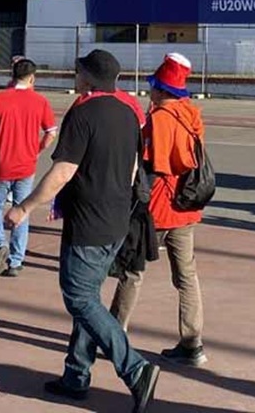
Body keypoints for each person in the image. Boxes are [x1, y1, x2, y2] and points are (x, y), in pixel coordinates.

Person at [5, 49, 160, 412]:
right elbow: (135, 167)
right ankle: (77, 374)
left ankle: (134, 368)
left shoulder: (83, 112)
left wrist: (25, 207)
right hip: (117, 217)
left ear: (87, 77)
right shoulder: (128, 112)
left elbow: (63, 171)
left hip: (90, 221)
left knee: (79, 297)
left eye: (77, 72)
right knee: (88, 295)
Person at [111, 53, 208, 367]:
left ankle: (113, 332)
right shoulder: (191, 113)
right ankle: (193, 341)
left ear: (161, 88)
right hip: (187, 204)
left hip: (158, 206)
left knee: (132, 270)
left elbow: (149, 163)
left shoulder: (159, 119)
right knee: (186, 276)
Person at [0, 58, 58, 277]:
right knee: (22, 209)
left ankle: (0, 243)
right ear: (32, 78)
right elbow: (51, 132)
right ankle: (16, 260)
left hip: (1, 163)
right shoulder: (40, 101)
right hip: (26, 165)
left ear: (12, 76)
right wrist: (37, 150)